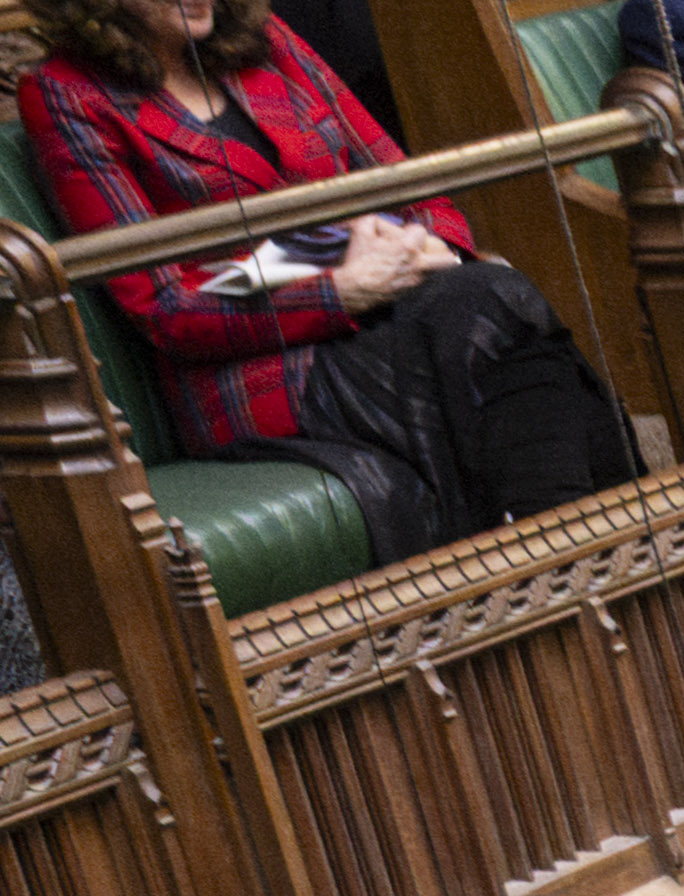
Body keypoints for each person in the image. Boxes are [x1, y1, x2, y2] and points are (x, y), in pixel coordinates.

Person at [18, 0, 633, 554]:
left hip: (398, 313)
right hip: (257, 375)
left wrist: (434, 245)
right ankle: (591, 556)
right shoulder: (66, 94)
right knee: (496, 308)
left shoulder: (270, 41)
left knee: (489, 298)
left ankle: (562, 553)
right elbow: (167, 306)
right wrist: (339, 277)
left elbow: (409, 183)